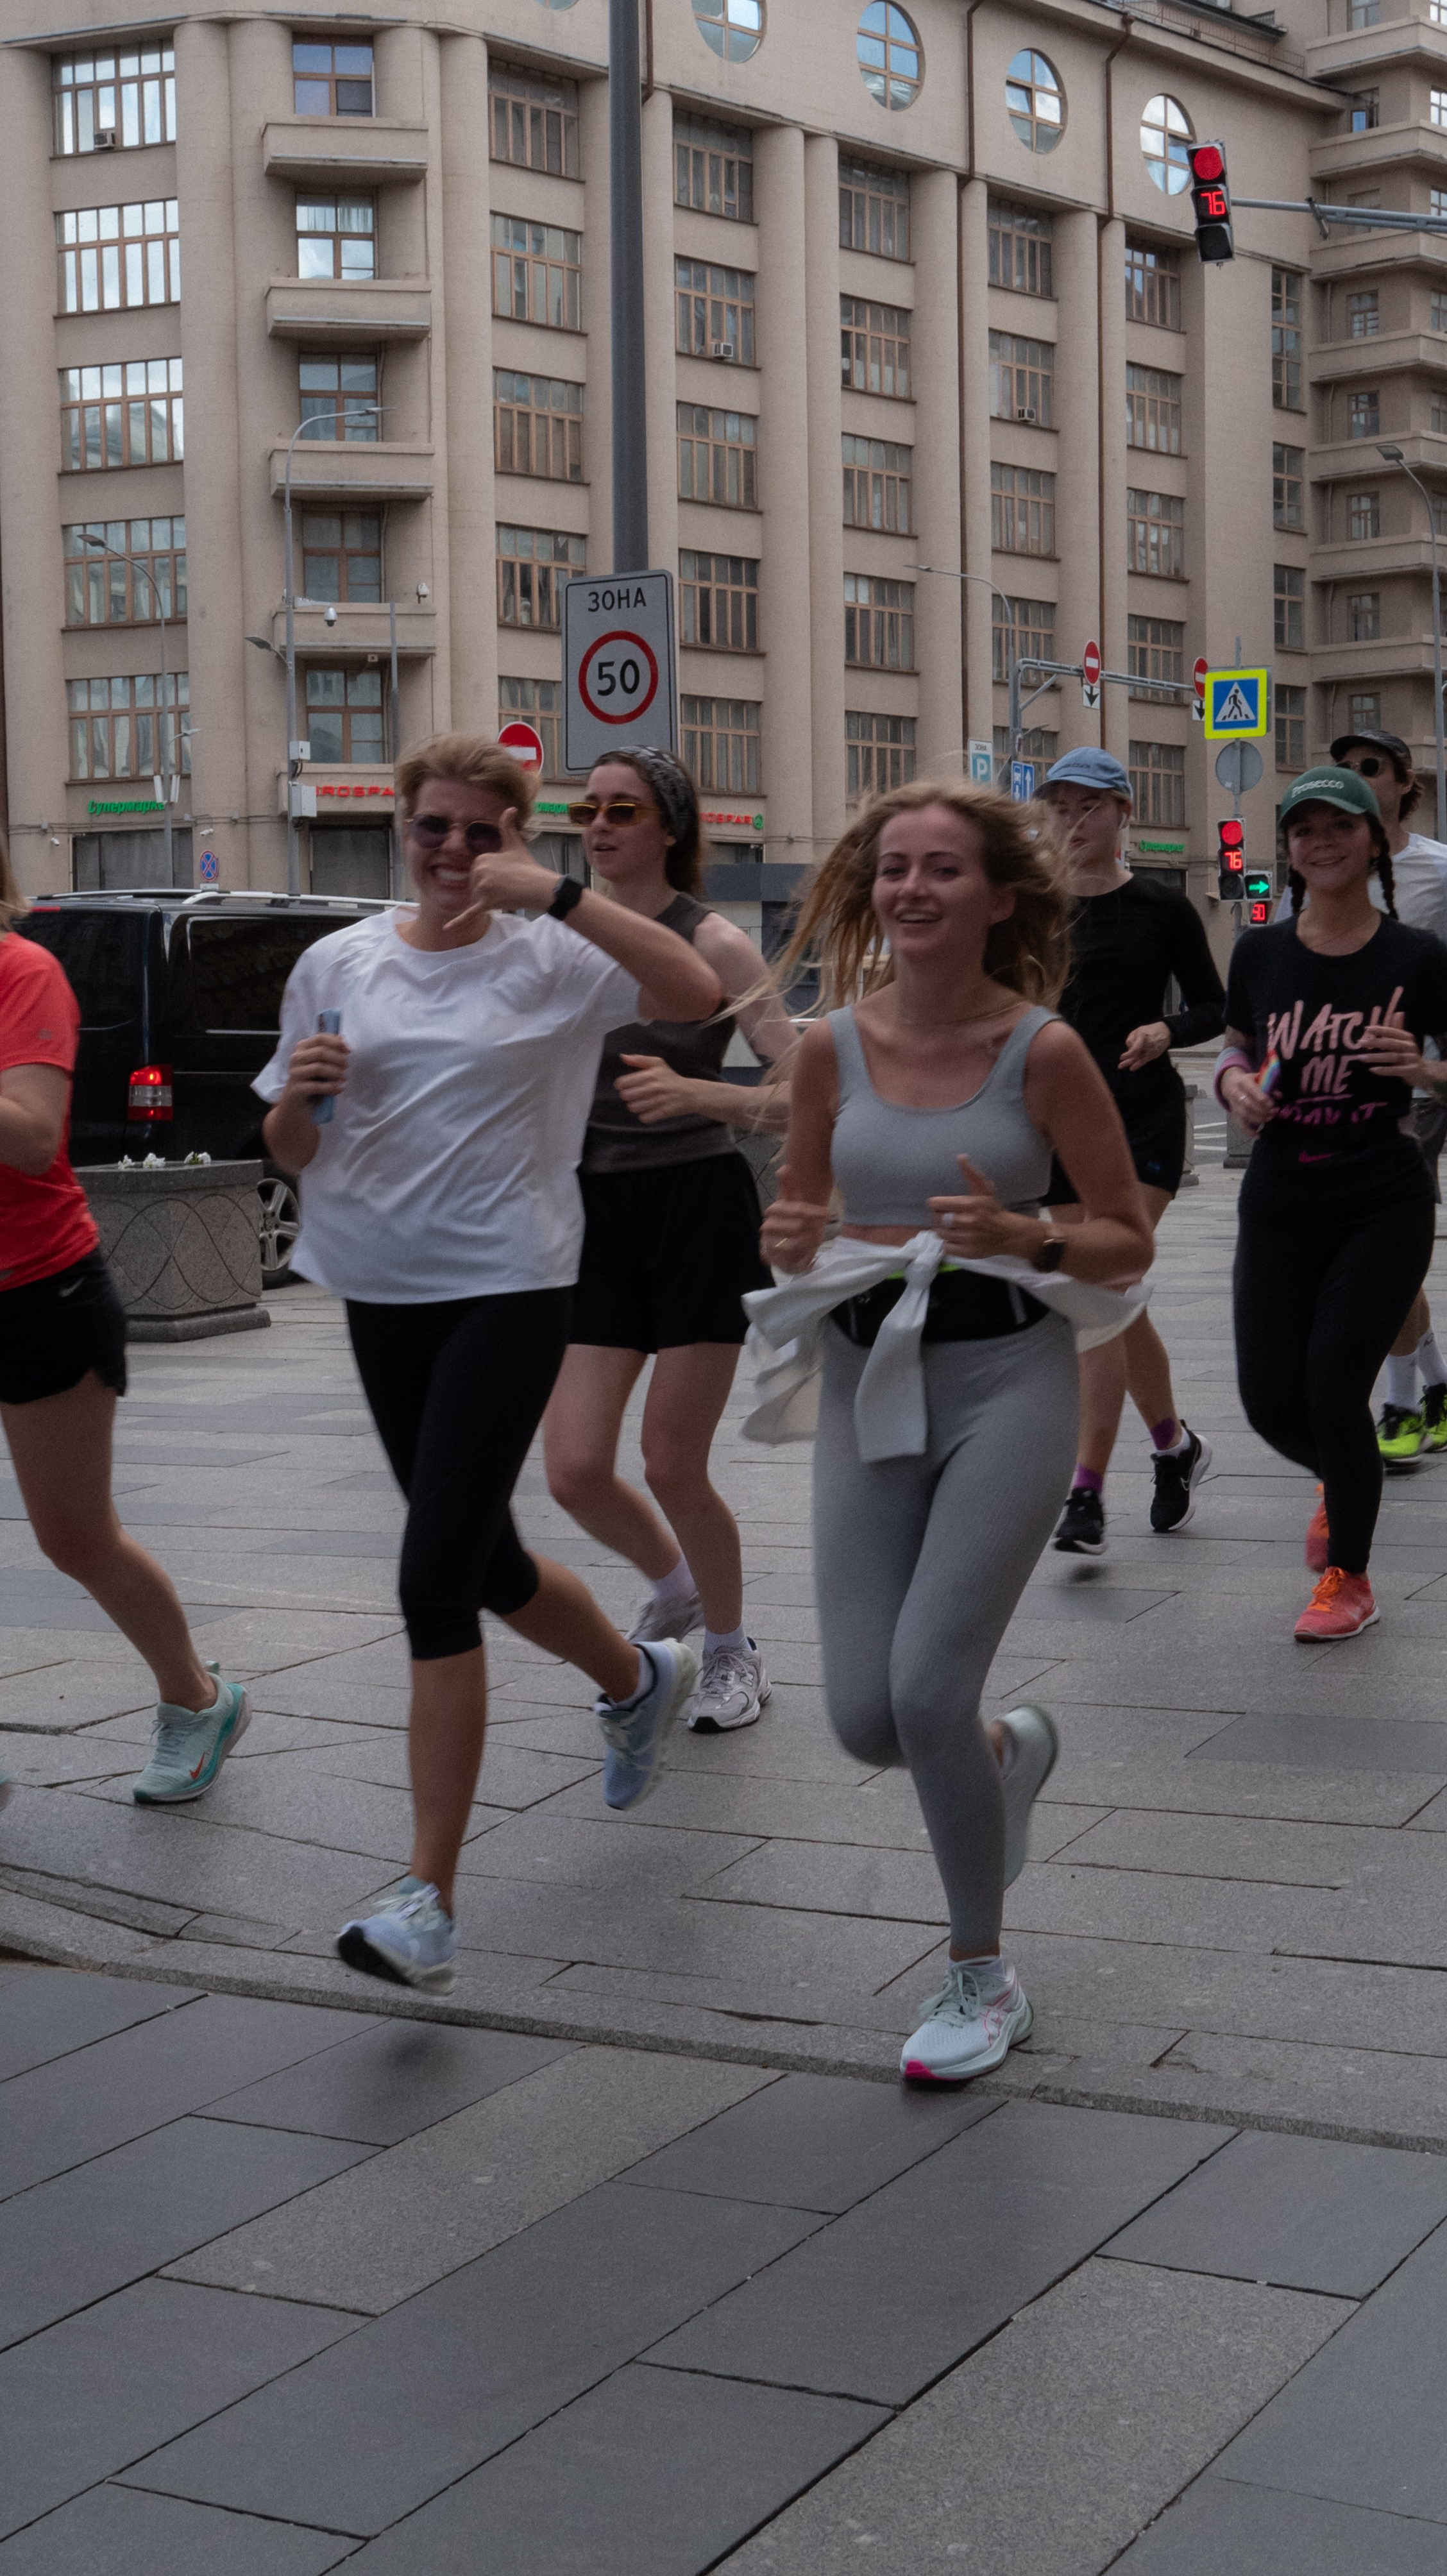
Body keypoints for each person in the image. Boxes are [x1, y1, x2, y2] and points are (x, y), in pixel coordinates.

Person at [257, 736, 722, 1997]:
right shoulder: (337, 963)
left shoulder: (558, 954)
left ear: (519, 836)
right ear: (401, 834)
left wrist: (564, 895)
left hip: (512, 1283)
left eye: (480, 831)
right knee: (485, 1557)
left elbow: (692, 993)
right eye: (432, 829)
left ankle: (428, 1896)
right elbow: (291, 1145)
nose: (453, 851)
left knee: (432, 1575)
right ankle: (637, 1678)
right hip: (376, 1285)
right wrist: (300, 1098)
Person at [750, 782, 1151, 2083]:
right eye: (893, 869)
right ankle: (1002, 1761)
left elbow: (1124, 1235)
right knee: (872, 1718)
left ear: (999, 898)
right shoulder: (828, 1048)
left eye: (941, 870)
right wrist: (791, 1232)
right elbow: (805, 1201)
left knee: (927, 1686)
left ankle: (982, 1973)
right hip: (871, 1375)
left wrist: (1027, 1231)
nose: (911, 889)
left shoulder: (1043, 1050)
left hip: (1007, 1380)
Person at [543, 749, 797, 1734]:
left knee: (671, 1463)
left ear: (670, 828)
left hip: (696, 1207)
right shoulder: (558, 940)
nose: (601, 826)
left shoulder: (717, 944)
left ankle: (734, 1653)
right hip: (590, 1217)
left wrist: (702, 1094)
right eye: (589, 809)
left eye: (625, 810)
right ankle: (674, 1583)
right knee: (571, 1468)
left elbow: (807, 1085)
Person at [0, 836, 248, 1811]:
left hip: (39, 1288)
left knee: (75, 1536)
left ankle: (198, 1697)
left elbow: (28, 1134)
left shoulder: (24, 973)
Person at [1217, 765, 1447, 1641]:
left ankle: (1349, 1578)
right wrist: (1233, 1087)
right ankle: (1342, 1475)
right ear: (1289, 846)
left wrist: (1423, 1070)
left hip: (1380, 1197)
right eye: (1305, 828)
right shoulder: (1260, 951)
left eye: (1340, 825)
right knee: (1270, 1401)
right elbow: (1238, 1049)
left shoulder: (1416, 957)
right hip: (1280, 1194)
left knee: (1332, 1385)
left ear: (1372, 840)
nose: (1322, 840)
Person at [1036, 749, 1226, 1557]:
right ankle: (1173, 1444)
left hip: (1142, 1120)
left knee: (1101, 1285)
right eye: (1062, 806)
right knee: (1114, 1295)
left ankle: (1085, 1491)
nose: (1074, 820)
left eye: (1091, 805)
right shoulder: (1030, 912)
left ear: (1125, 813)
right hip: (1056, 1125)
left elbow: (1217, 1005)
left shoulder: (1161, 906)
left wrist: (1166, 1030)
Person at [1330, 729, 1447, 1464]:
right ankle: (1434, 1384)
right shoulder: (1327, 866)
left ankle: (1401, 1401)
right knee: (1380, 1239)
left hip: (1423, 1083)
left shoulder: (1438, 869)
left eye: (1370, 768)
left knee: (1383, 1239)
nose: (1355, 778)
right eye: (1342, 769)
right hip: (1349, 1083)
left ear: (1407, 782)